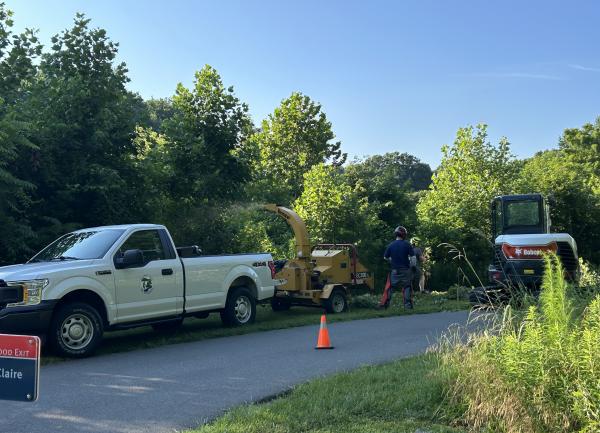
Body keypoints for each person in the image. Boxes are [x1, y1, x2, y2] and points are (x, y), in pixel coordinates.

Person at [383, 226, 416, 309]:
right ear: (404, 235)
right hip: (406, 270)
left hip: (394, 271)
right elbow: (413, 257)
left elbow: (385, 257)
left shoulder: (391, 245)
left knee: (390, 288)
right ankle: (408, 306)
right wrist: (413, 267)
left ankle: (385, 305)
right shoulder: (407, 244)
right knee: (407, 287)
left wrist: (392, 260)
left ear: (396, 234)